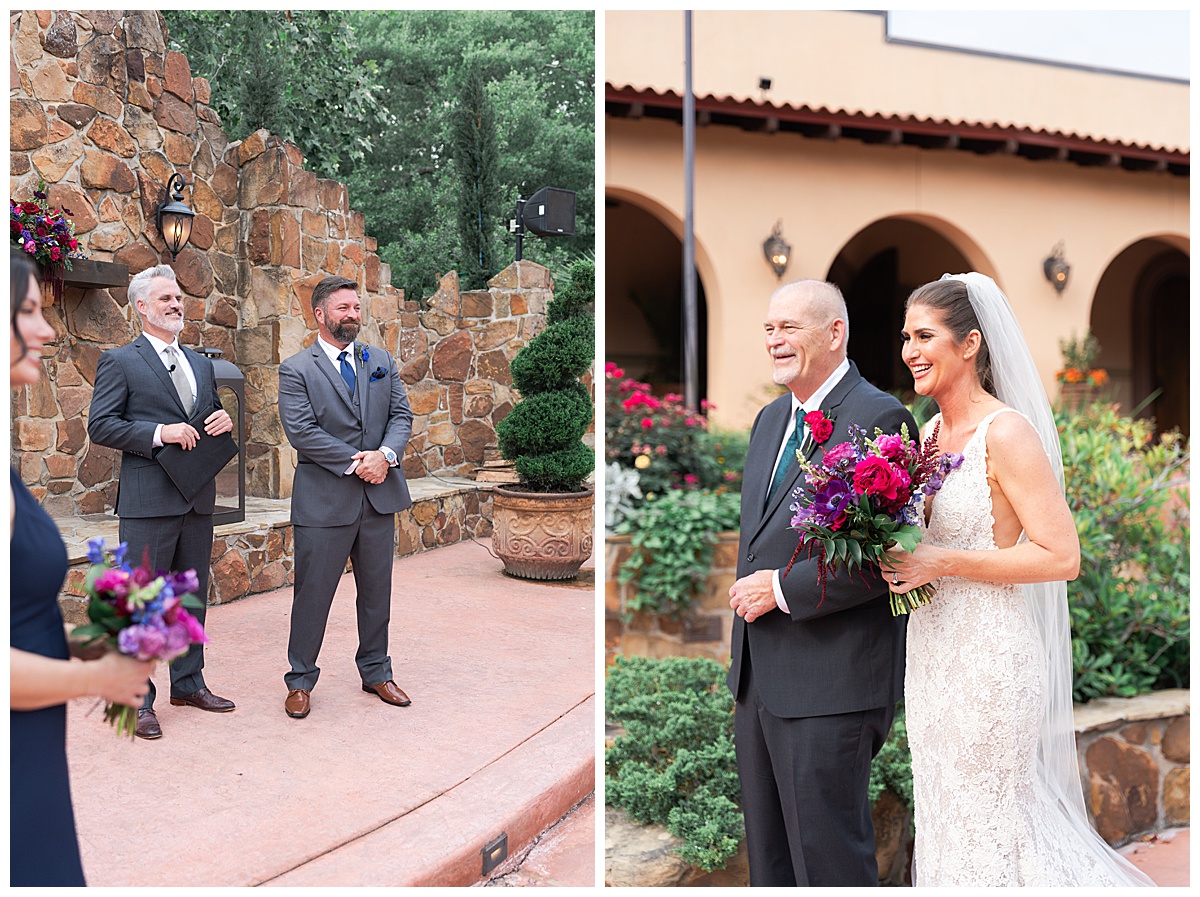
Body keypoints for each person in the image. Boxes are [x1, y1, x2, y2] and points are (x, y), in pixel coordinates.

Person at [885, 272, 1153, 886]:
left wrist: (939, 561)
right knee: (944, 812)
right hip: (931, 654)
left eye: (925, 336)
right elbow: (922, 544)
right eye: (906, 337)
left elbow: (1061, 557)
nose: (910, 351)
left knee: (991, 820)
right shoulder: (924, 434)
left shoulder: (1006, 433)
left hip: (991, 660)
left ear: (971, 343)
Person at [726, 279, 916, 886]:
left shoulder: (880, 416)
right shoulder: (769, 419)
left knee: (829, 864)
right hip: (758, 676)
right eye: (768, 329)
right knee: (772, 865)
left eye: (789, 328)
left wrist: (781, 590)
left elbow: (891, 554)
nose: (775, 341)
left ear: (835, 333)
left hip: (831, 682)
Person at [10, 250, 154, 885]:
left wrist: (80, 644)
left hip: (32, 746)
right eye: (29, 312)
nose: (46, 330)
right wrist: (101, 681)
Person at [87, 264, 236, 740]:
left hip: (197, 501)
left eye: (178, 298)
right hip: (147, 502)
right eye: (166, 299)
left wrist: (221, 421)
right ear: (142, 307)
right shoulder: (120, 361)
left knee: (190, 600)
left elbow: (207, 412)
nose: (176, 305)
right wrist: (158, 433)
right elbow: (101, 425)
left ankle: (189, 684)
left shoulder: (200, 362)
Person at [277, 275, 414, 719]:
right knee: (313, 595)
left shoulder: (380, 360)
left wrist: (387, 455)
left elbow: (401, 414)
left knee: (377, 594)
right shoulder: (296, 369)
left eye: (356, 307)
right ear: (320, 314)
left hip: (378, 499)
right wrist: (361, 461)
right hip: (324, 501)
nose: (353, 315)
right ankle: (300, 681)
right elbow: (302, 432)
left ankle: (376, 671)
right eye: (343, 308)